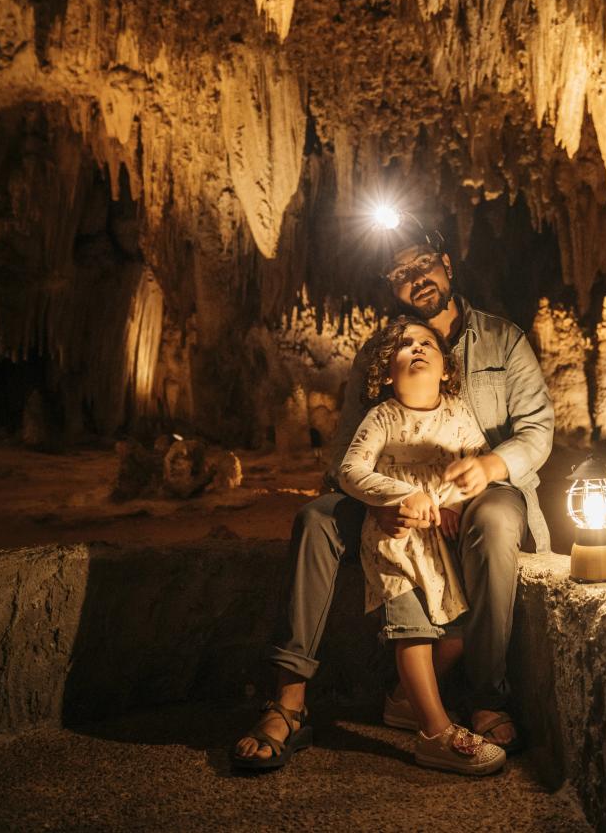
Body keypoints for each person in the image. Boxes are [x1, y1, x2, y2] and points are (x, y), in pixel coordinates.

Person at [232, 216, 553, 770]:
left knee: (497, 521)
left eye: (422, 264)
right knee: (315, 519)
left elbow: (539, 429)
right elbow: (347, 456)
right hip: (392, 500)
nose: (415, 278)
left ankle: (485, 697)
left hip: (482, 492)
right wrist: (385, 500)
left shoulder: (503, 339)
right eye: (400, 273)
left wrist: (494, 463)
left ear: (446, 264)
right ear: (392, 286)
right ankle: (288, 701)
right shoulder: (382, 353)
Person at [339, 316, 505, 774]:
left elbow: (473, 463)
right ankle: (434, 732)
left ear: (447, 368)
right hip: (393, 541)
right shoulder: (383, 417)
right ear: (387, 372)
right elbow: (350, 471)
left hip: (436, 546)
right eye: (404, 344)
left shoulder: (457, 412)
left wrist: (451, 500)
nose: (416, 348)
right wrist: (399, 494)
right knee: (412, 627)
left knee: (453, 636)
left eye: (426, 342)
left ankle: (401, 701)